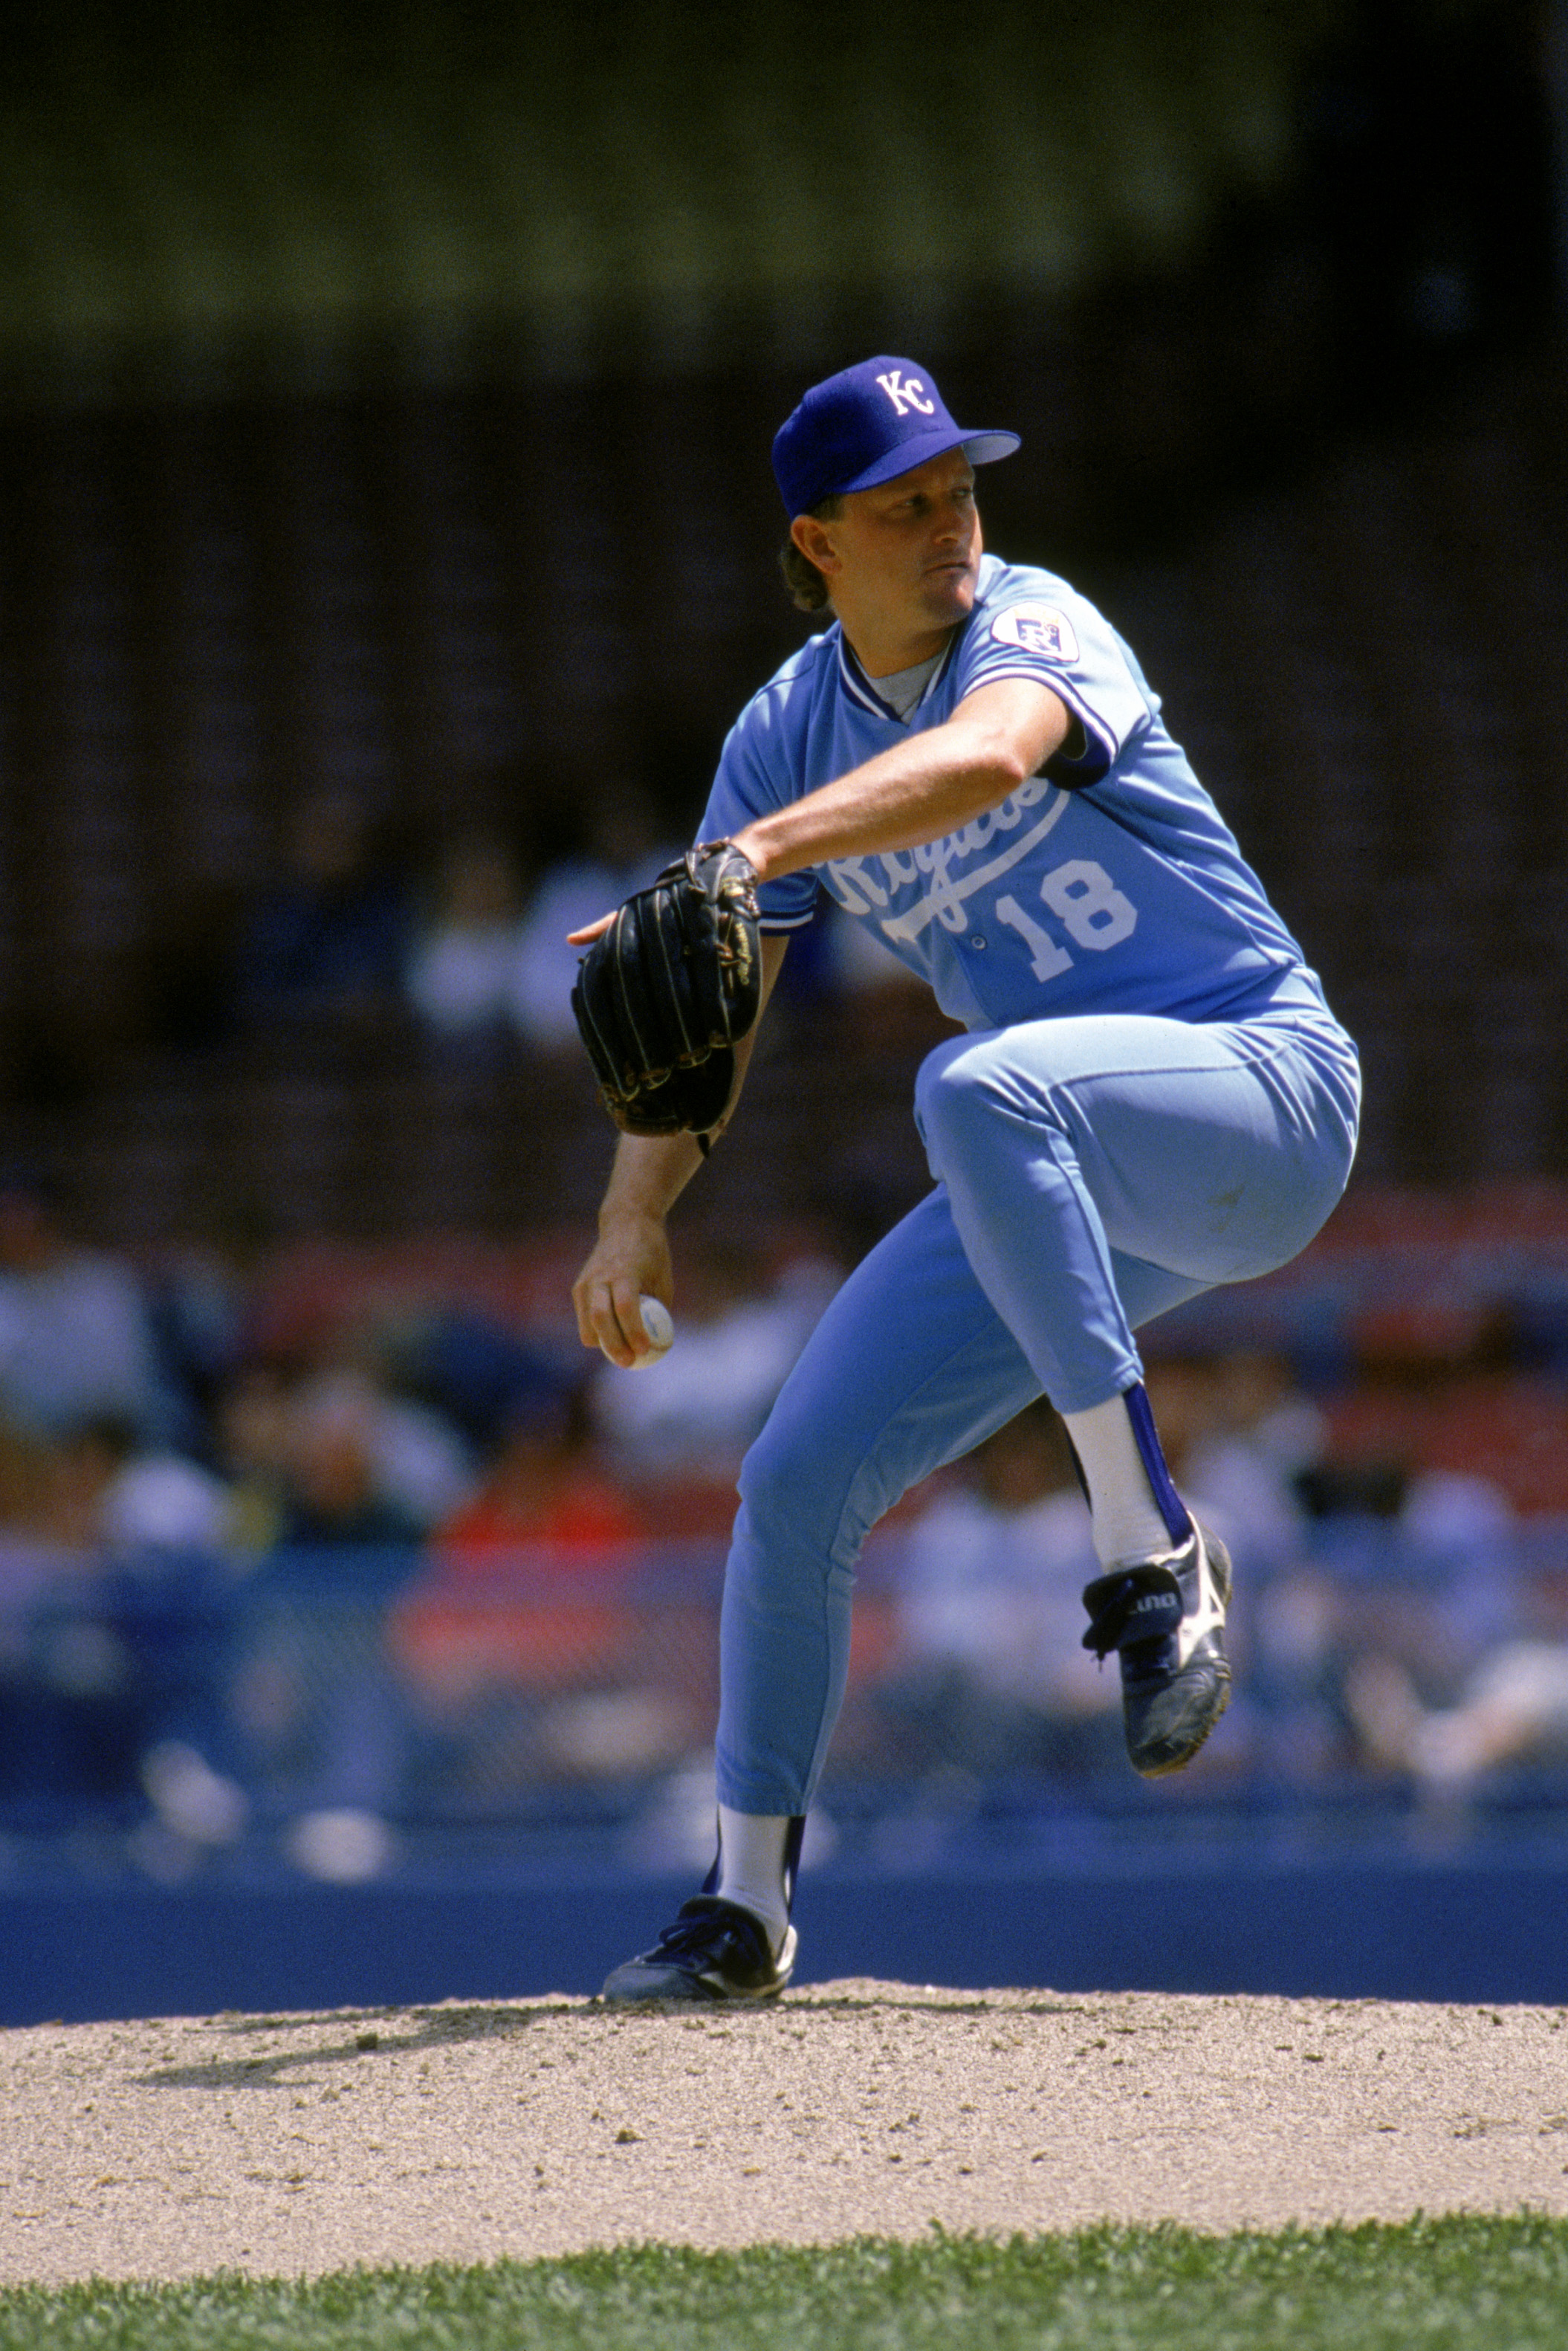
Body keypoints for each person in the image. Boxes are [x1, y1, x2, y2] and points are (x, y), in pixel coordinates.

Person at [569, 356, 1361, 2002]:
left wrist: (762, 851)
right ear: (815, 541)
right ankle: (745, 1908)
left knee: (973, 1082)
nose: (948, 522)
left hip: (1258, 1093)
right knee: (795, 1479)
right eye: (903, 503)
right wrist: (630, 1213)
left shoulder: (1035, 621)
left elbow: (996, 757)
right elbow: (720, 998)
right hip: (1053, 1166)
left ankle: (1147, 1550)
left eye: (959, 488)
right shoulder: (783, 733)